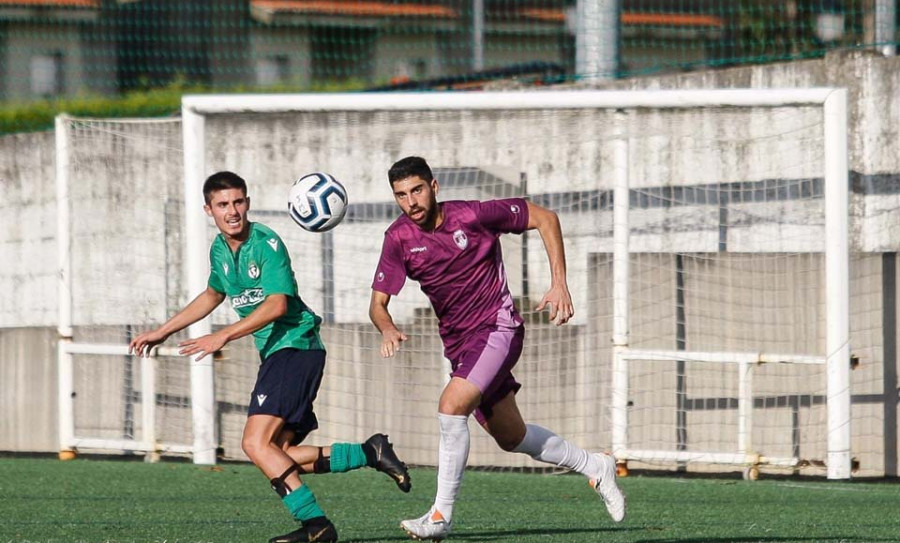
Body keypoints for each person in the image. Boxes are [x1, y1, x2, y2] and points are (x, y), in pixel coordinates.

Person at [130, 171, 411, 543]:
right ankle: (369, 452)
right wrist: (164, 330)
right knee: (280, 453)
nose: (233, 211)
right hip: (283, 355)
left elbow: (278, 304)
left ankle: (317, 526)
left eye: (239, 202)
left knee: (254, 444)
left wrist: (224, 335)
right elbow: (213, 294)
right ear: (208, 209)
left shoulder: (266, 243)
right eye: (223, 204)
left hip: (294, 347)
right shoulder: (219, 248)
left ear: (247, 202)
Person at [369, 156, 626, 541]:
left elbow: (545, 218)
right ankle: (594, 466)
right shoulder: (399, 238)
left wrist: (560, 283)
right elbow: (377, 304)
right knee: (513, 437)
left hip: (497, 328)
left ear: (434, 187)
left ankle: (441, 515)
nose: (412, 202)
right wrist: (386, 327)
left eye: (417, 190)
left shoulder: (473, 215)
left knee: (450, 406)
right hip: (459, 346)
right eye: (402, 196)